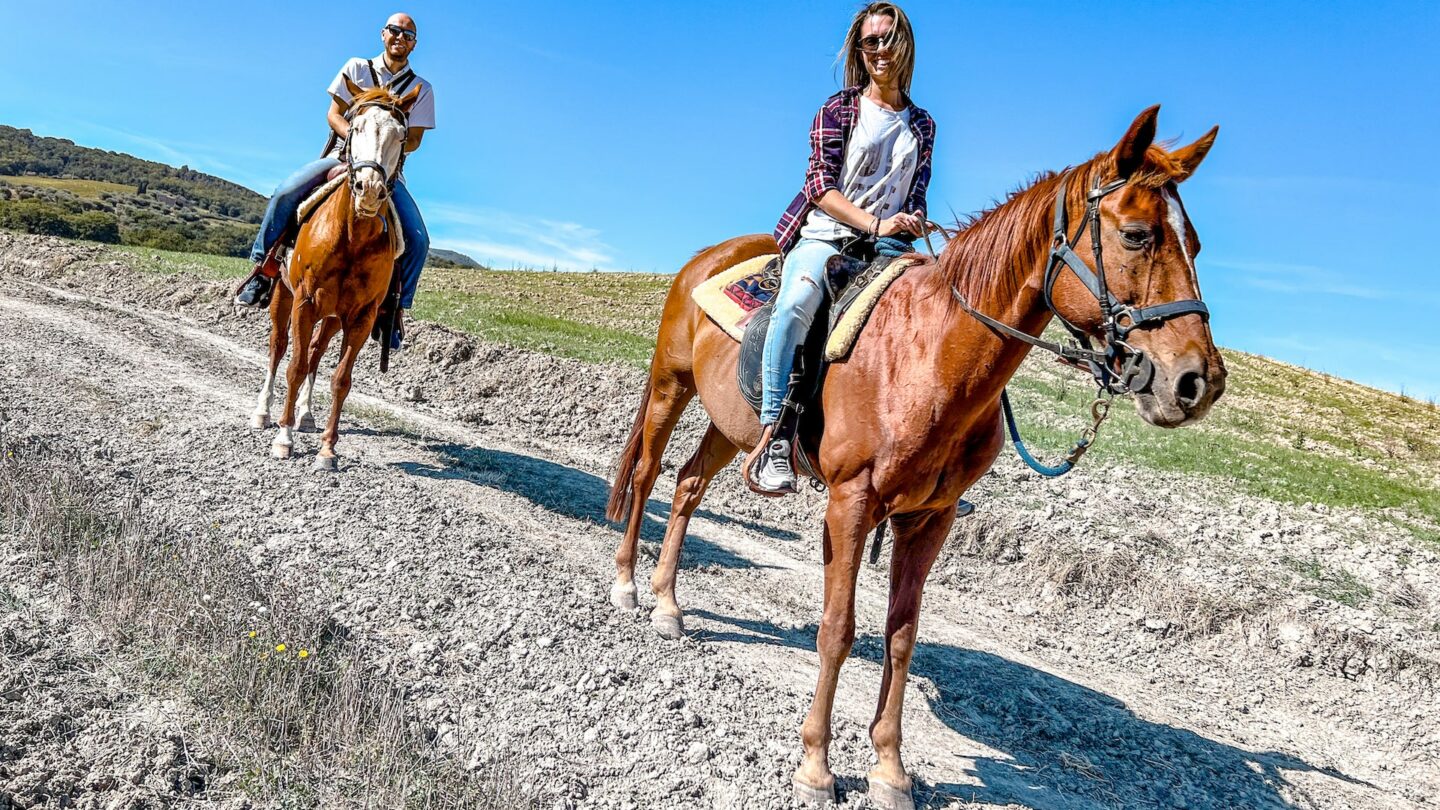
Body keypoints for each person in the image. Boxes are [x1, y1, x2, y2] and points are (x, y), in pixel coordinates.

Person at [746, 2, 936, 495]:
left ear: (905, 45)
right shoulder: (839, 109)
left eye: (888, 39)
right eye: (870, 41)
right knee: (795, 306)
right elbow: (819, 186)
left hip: (891, 246)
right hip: (828, 235)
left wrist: (911, 219)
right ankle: (775, 435)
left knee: (940, 319)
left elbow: (915, 194)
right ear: (859, 49)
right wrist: (874, 221)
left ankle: (933, 454)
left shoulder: (924, 125)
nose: (879, 50)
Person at [236, 13, 436, 348]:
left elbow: (414, 139)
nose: (400, 38)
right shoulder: (358, 68)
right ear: (383, 34)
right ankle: (264, 269)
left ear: (414, 43)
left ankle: (393, 312)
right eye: (394, 31)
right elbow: (333, 114)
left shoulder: (422, 89)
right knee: (285, 192)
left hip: (385, 169)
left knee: (418, 239)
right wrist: (357, 139)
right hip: (343, 156)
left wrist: (389, 142)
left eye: (408, 34)